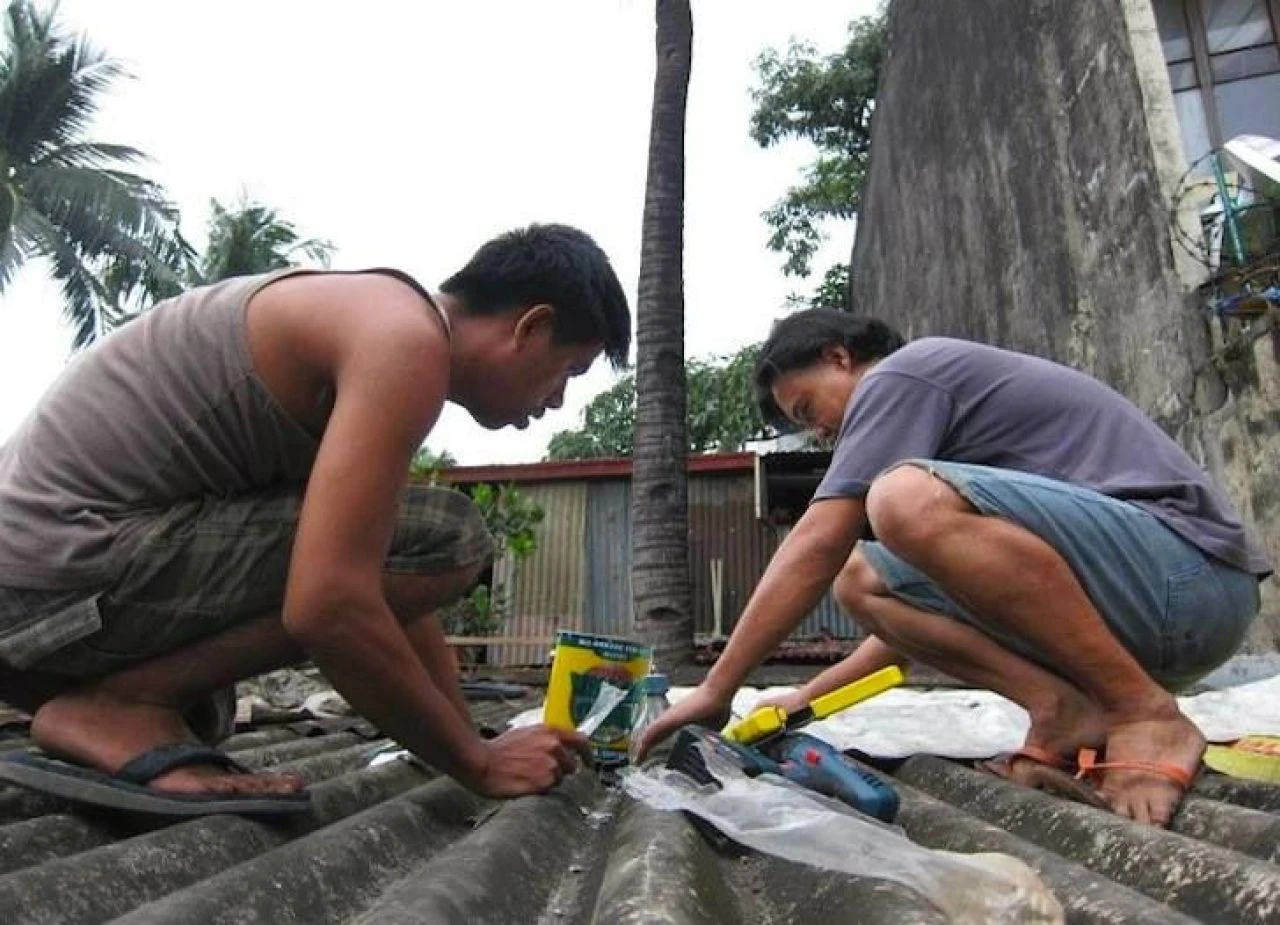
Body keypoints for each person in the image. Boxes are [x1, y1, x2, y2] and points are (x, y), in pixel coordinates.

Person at [0, 223, 628, 812]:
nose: (556, 401)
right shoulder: (404, 342)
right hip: (53, 579)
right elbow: (329, 604)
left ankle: (119, 703)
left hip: (41, 599)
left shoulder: (377, 322)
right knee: (455, 534)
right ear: (531, 326)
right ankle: (124, 702)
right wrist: (479, 765)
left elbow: (390, 581)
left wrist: (465, 735)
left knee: (201, 723)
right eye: (567, 371)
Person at [636, 309, 1269, 827]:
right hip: (1151, 608)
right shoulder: (957, 480)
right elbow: (900, 638)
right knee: (863, 577)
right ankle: (1063, 706)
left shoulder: (904, 375)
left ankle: (1144, 713)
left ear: (838, 356)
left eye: (809, 411)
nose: (823, 434)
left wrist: (716, 690)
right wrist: (803, 701)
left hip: (1190, 577)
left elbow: (818, 538)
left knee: (896, 502)